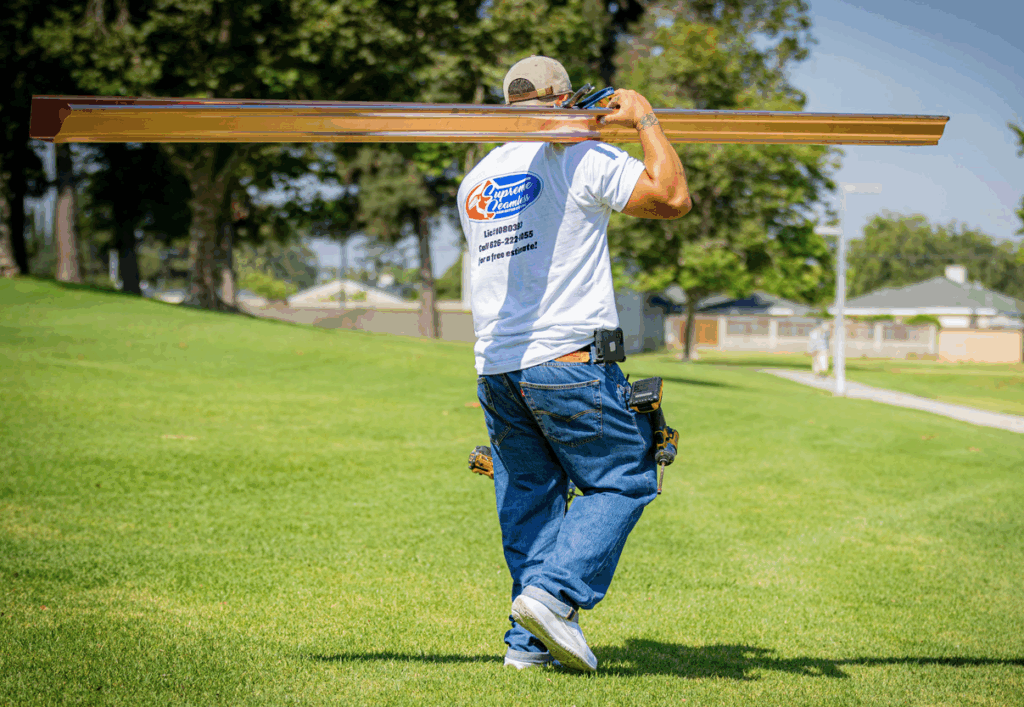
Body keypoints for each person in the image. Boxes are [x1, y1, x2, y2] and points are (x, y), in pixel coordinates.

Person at [457, 55, 691, 673]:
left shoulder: (478, 179)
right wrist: (644, 119)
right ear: (567, 101)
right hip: (568, 359)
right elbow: (670, 198)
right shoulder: (581, 155)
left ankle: (527, 647)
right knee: (624, 479)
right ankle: (554, 597)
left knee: (531, 500)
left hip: (498, 367)